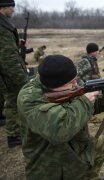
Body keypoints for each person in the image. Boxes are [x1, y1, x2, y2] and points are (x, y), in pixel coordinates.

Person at [17, 55, 104, 179]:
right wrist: (85, 102)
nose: (76, 83)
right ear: (56, 85)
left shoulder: (67, 84)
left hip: (77, 147)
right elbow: (60, 131)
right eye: (72, 82)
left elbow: (93, 105)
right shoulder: (29, 99)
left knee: (102, 143)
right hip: (50, 166)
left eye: (75, 79)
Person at [0, 0, 29, 147]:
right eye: (11, 6)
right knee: (13, 102)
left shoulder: (4, 25)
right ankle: (14, 136)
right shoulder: (2, 27)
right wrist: (23, 79)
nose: (13, 10)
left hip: (5, 72)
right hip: (8, 74)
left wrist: (17, 43)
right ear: (3, 6)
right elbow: (8, 58)